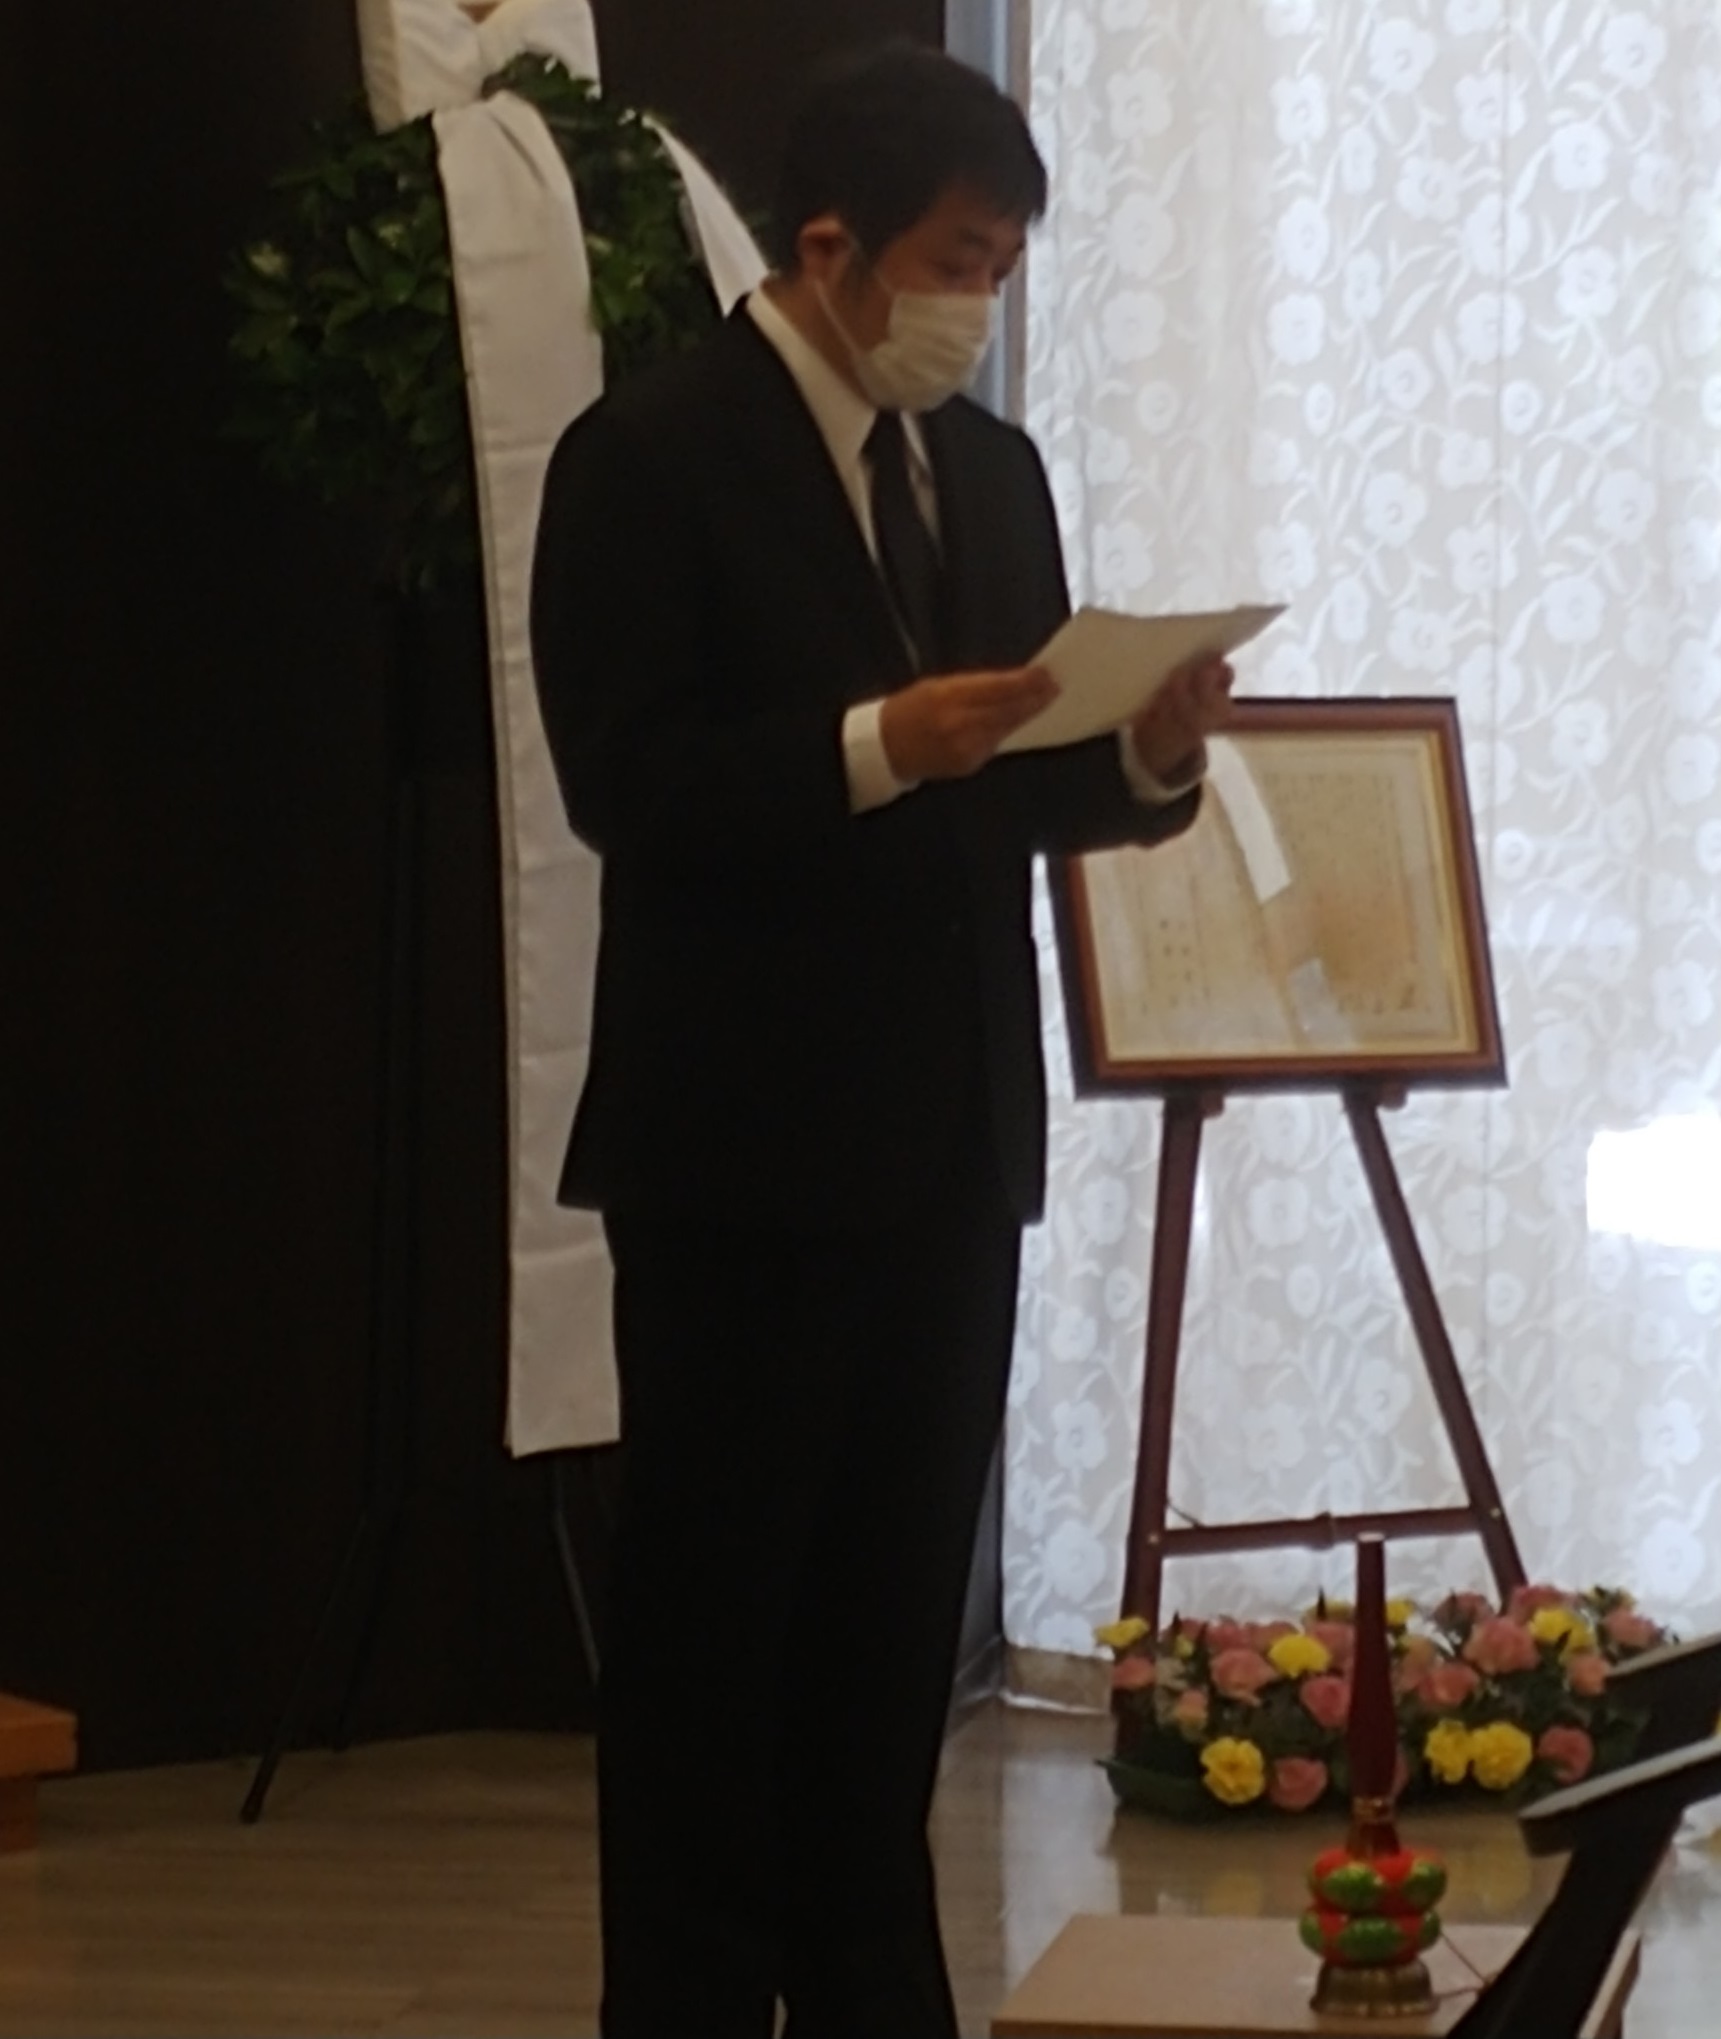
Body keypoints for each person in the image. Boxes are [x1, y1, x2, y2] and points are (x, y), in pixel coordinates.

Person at [530, 41, 1234, 2039]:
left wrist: (1144, 759)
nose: (974, 307)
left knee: (884, 1646)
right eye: (953, 262)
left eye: (1002, 269)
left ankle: (875, 2002)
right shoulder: (649, 453)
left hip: (948, 1148)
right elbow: (629, 781)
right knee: (712, 1643)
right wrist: (872, 747)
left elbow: (1023, 781)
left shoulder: (988, 472)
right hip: (739, 1156)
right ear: (829, 249)